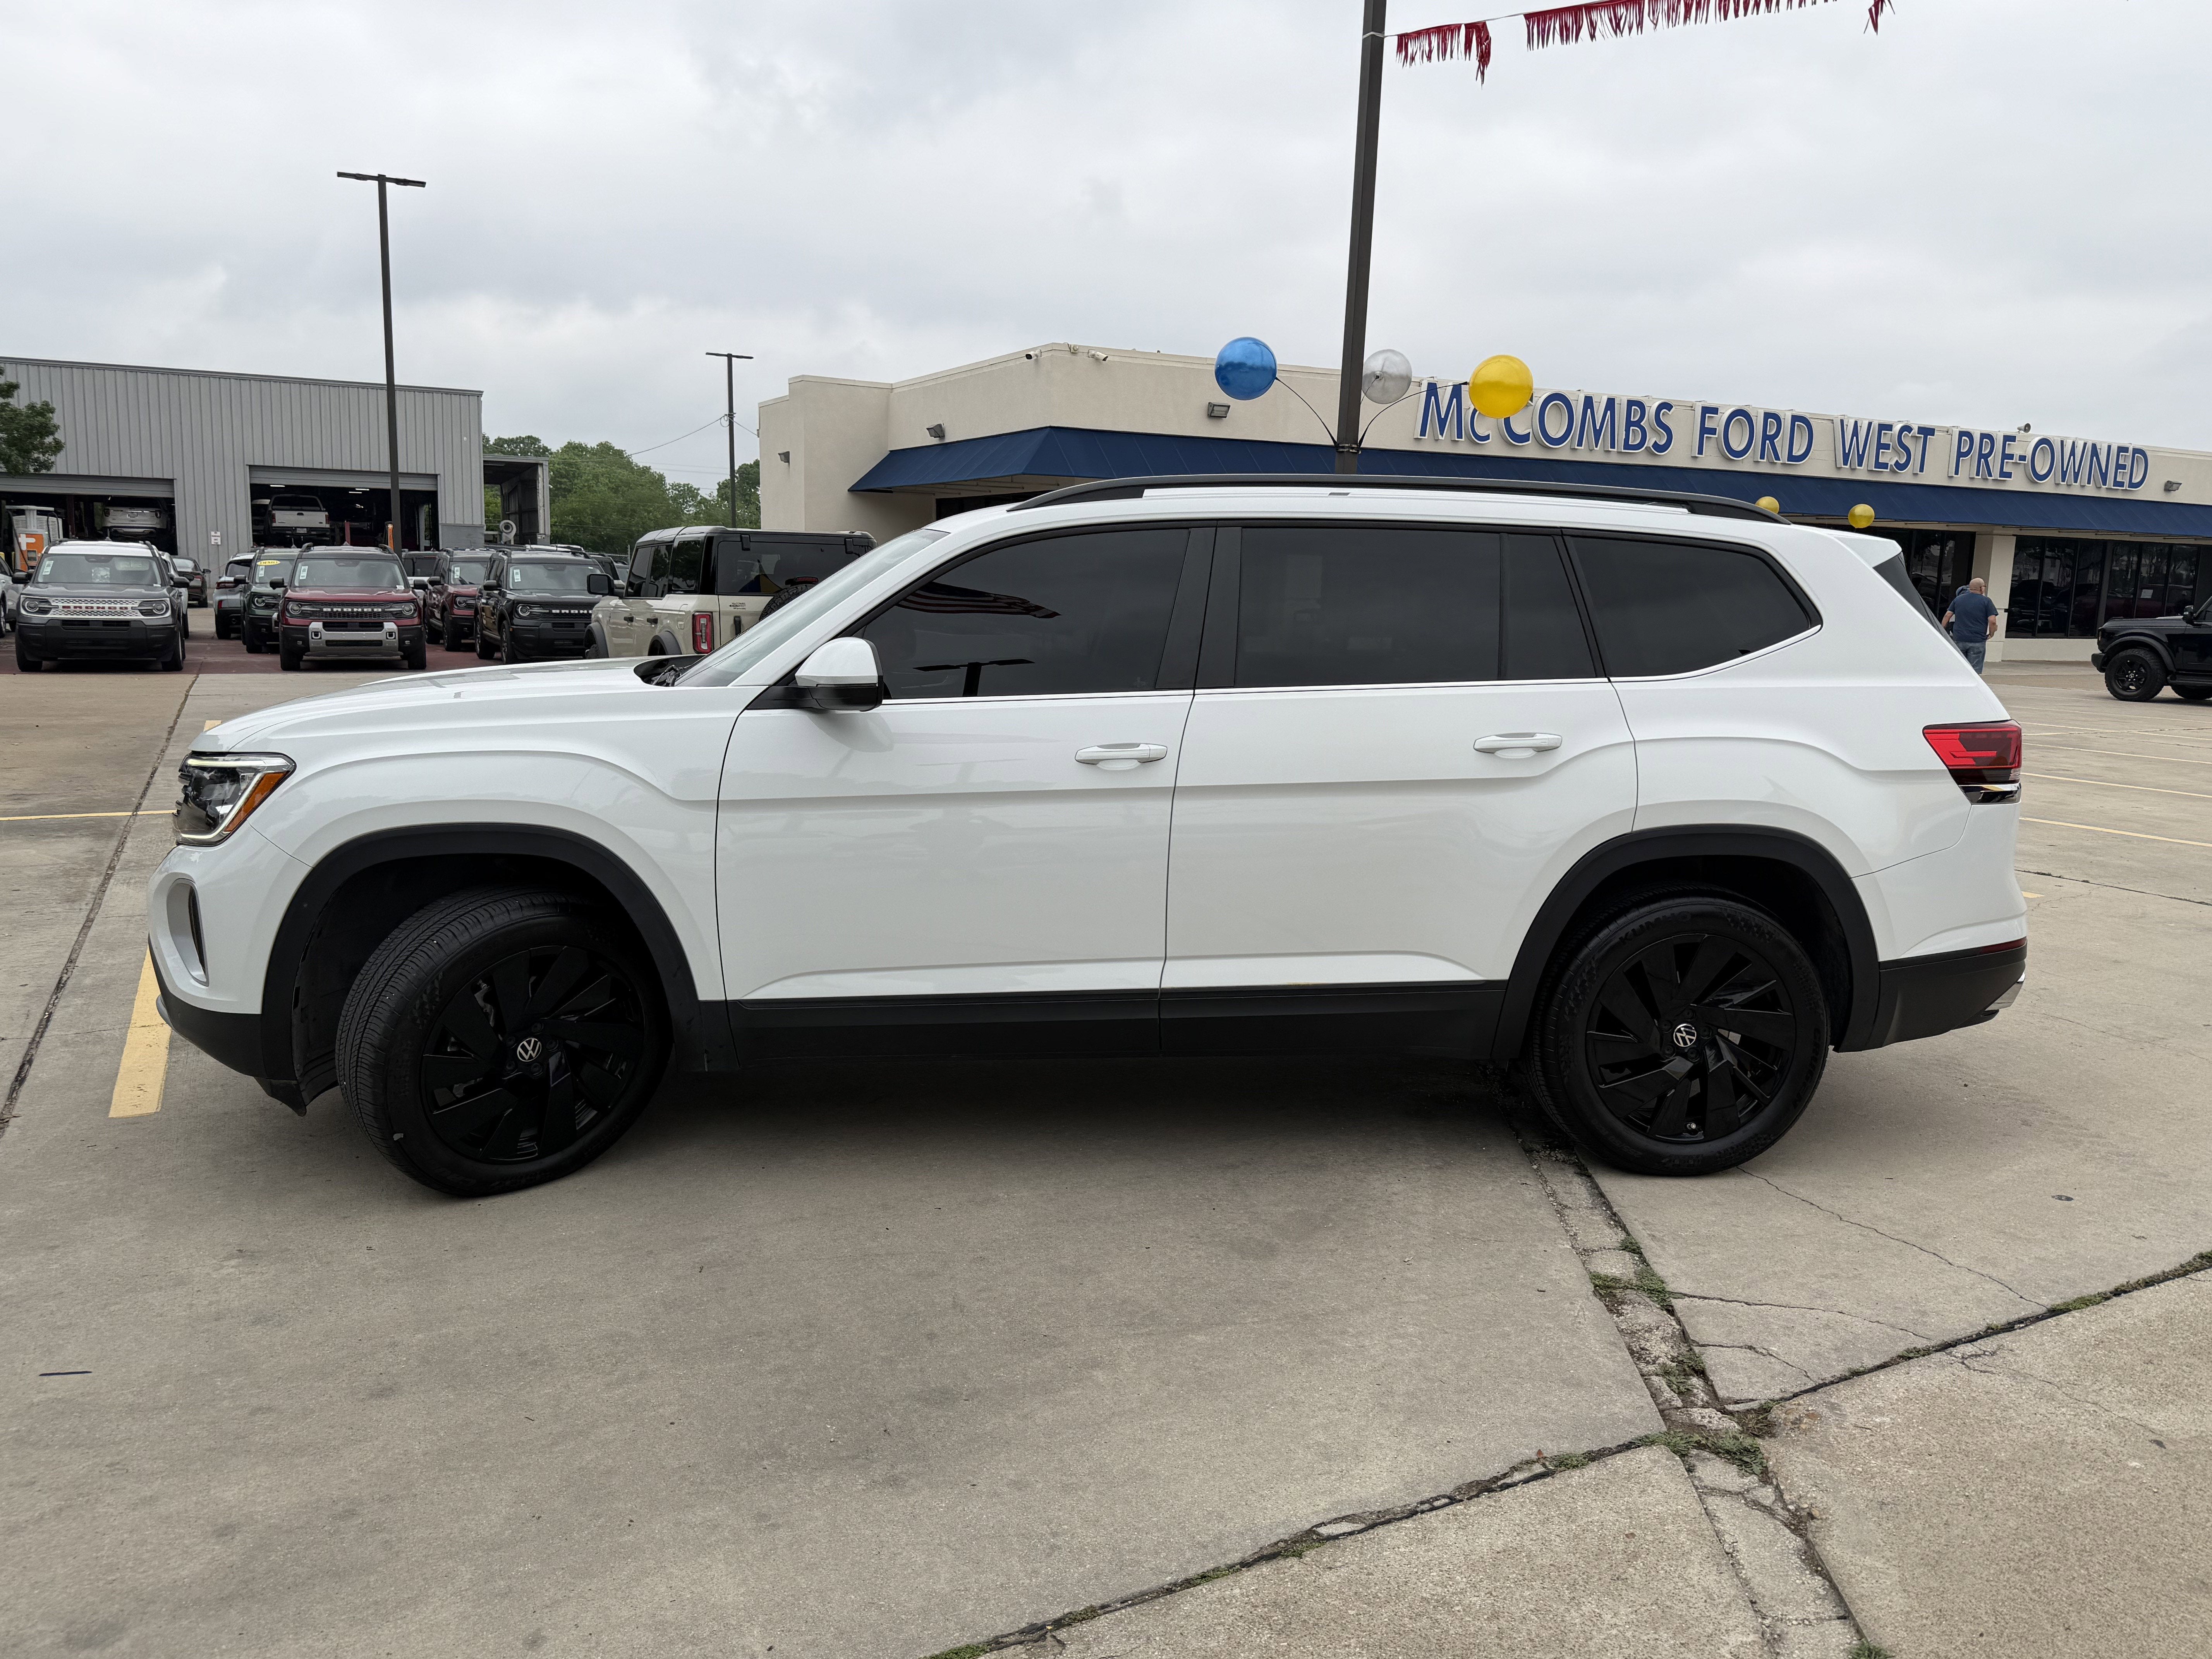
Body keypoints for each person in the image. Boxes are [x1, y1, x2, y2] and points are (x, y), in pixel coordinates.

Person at [1943, 577, 2000, 674]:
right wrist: (1991, 634)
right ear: (1982, 588)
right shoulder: (1987, 601)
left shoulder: (1958, 599)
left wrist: (1943, 630)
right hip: (1978, 640)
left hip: (1959, 638)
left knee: (1959, 668)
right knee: (1974, 672)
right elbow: (1993, 621)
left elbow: (1947, 615)